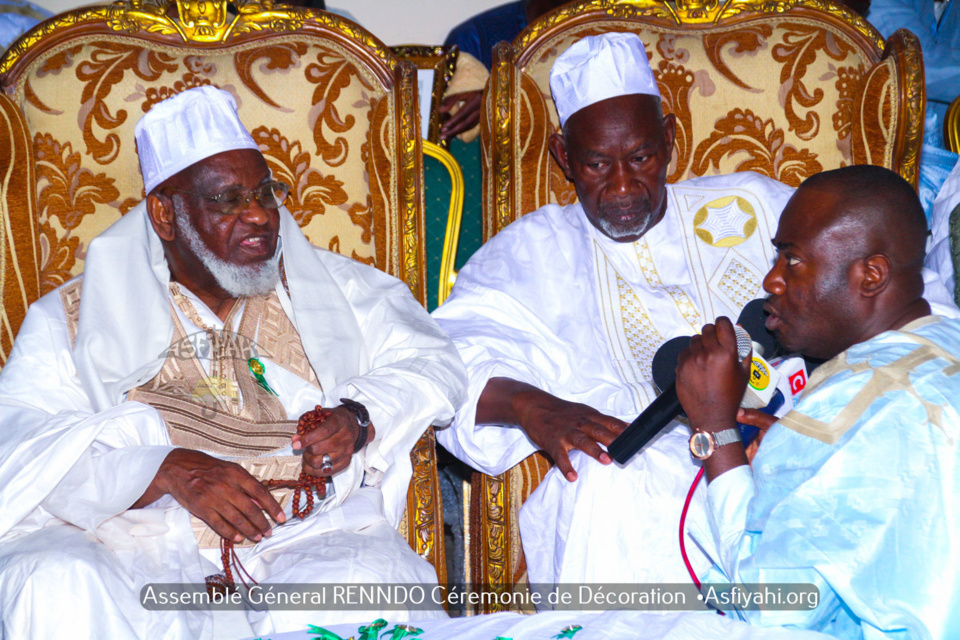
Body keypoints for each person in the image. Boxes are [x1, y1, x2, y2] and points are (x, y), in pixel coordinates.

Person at [432, 32, 959, 590]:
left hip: (802, 446)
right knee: (609, 483)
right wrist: (531, 406)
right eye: (594, 165)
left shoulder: (756, 203)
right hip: (635, 477)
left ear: (669, 139)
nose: (622, 186)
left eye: (640, 157)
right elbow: (445, 360)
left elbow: (899, 295)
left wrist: (809, 432)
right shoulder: (531, 250)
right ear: (563, 156)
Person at [0, 86, 466, 639]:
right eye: (228, 199)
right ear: (164, 215)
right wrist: (165, 470)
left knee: (365, 585)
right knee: (51, 578)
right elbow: (20, 446)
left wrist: (359, 417)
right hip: (141, 539)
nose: (259, 217)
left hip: (307, 532)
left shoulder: (332, 287)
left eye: (266, 194)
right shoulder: (76, 317)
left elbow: (436, 363)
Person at [676, 165, 960, 639]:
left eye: (793, 260)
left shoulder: (851, 403)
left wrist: (715, 432)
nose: (772, 281)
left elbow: (772, 607)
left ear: (871, 275)